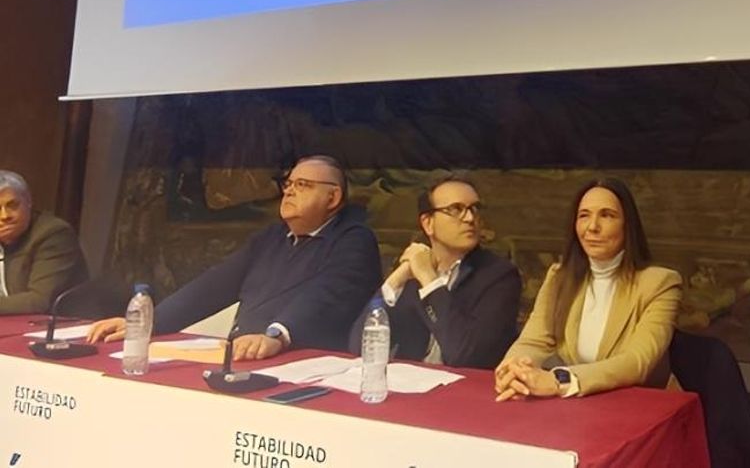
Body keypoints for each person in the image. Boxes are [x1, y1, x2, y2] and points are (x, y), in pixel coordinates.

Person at [86, 155, 381, 360]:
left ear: (333, 197)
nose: (289, 191)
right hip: (243, 358)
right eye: (288, 184)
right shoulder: (271, 237)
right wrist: (149, 323)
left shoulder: (354, 240)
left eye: (302, 185)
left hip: (305, 365)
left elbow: (326, 296)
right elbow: (212, 286)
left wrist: (276, 335)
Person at [494, 177, 682, 400]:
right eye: (584, 215)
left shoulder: (661, 283)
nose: (592, 227)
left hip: (640, 404)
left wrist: (560, 381)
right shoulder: (559, 277)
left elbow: (637, 362)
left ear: (627, 225)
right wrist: (514, 370)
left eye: (607, 215)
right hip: (581, 404)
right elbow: (533, 341)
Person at [348, 175, 520, 368]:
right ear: (428, 223)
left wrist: (429, 281)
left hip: (464, 383)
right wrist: (395, 281)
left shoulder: (499, 275)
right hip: (412, 381)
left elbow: (467, 356)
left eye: (474, 209)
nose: (470, 218)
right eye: (456, 209)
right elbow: (359, 348)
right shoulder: (413, 270)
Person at [0, 170, 88, 314]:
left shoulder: (53, 234)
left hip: (59, 322)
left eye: (13, 205)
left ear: (29, 202)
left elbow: (39, 301)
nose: (5, 216)